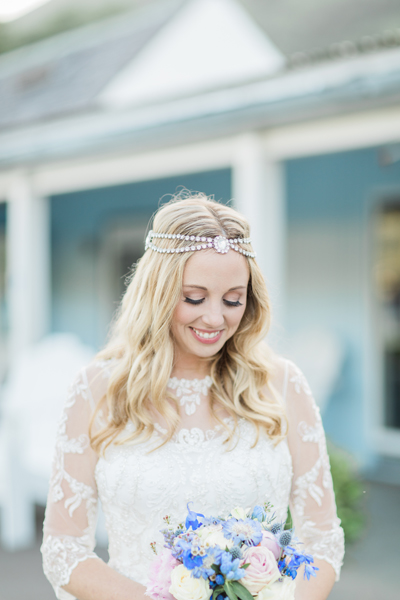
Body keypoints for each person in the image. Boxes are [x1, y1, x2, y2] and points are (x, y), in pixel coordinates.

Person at [41, 193, 344, 600]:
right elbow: (63, 550)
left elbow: (322, 539)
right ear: (158, 293)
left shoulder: (283, 385)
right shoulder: (96, 388)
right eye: (194, 298)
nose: (216, 318)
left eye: (233, 299)